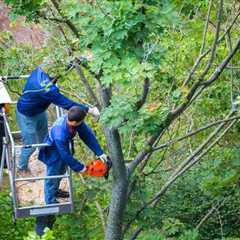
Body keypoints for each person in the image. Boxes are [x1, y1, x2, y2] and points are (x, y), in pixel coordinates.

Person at [16, 66, 100, 175]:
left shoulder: (40, 70)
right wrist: (90, 110)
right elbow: (66, 103)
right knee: (30, 144)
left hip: (39, 111)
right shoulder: (47, 89)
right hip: (26, 115)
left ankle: (44, 159)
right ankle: (22, 167)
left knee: (45, 139)